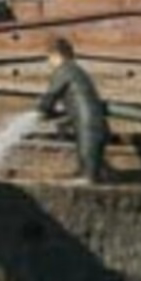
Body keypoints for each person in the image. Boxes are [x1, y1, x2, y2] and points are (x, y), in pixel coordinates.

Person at [37, 37, 109, 182]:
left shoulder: (64, 70)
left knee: (88, 176)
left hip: (89, 126)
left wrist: (41, 110)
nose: (48, 63)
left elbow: (51, 95)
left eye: (48, 58)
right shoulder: (76, 70)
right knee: (87, 166)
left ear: (56, 55)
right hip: (93, 125)